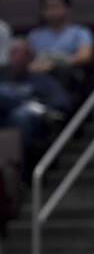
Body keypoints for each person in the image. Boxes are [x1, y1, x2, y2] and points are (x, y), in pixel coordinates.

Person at [0, 38, 72, 172]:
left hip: (29, 124)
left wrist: (41, 106)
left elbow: (62, 102)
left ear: (28, 57)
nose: (14, 57)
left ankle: (21, 174)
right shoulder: (2, 76)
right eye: (12, 53)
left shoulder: (41, 80)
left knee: (21, 114)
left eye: (18, 53)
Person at [27, 0, 94, 95]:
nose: (51, 11)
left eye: (55, 6)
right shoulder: (34, 35)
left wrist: (54, 65)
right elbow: (26, 60)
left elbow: (84, 56)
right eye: (47, 7)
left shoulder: (80, 32)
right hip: (38, 73)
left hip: (68, 74)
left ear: (67, 9)